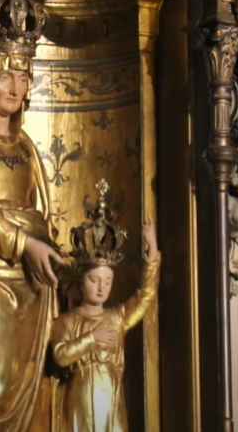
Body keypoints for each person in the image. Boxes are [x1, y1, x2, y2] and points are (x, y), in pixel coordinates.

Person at [0, 47, 64, 431]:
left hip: (35, 279)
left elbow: (42, 208)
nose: (14, 88)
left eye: (23, 78)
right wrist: (24, 243)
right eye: (5, 76)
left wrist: (56, 258)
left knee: (39, 390)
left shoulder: (25, 144)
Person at [51, 183, 161, 432]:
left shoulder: (117, 317)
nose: (101, 288)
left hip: (111, 396)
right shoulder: (65, 321)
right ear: (81, 282)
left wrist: (152, 250)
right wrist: (92, 338)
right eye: (94, 280)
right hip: (80, 397)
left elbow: (145, 296)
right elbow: (61, 355)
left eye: (108, 282)